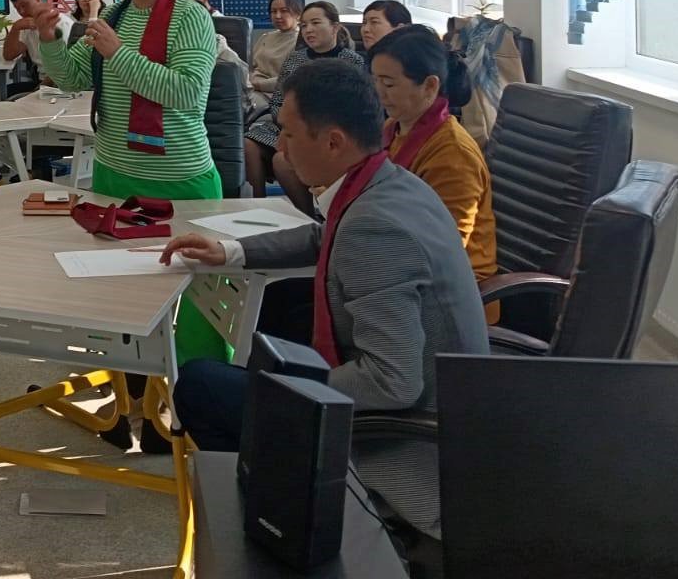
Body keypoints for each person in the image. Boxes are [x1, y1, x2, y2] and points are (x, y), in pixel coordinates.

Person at [163, 60, 489, 538]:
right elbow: (326, 236)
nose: (281, 147)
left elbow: (393, 382)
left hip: (408, 442)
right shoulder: (390, 182)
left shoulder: (374, 229)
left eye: (289, 134)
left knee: (200, 386)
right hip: (448, 395)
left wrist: (288, 395)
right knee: (277, 310)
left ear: (334, 142)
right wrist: (232, 251)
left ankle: (286, 519)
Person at [34, 0, 225, 374]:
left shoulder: (190, 17)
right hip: (114, 173)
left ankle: (200, 390)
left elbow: (186, 92)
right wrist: (49, 40)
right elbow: (73, 78)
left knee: (199, 303)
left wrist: (118, 53)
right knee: (117, 292)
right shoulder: (115, 15)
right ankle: (129, 383)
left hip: (179, 179)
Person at [367, 26, 498, 288]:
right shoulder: (393, 128)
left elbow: (441, 248)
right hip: (400, 262)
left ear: (429, 86)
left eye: (389, 84)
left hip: (451, 289)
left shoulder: (453, 153)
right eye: (376, 81)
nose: (379, 92)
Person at [245, 0, 359, 207]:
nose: (308, 30)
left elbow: (351, 108)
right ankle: (258, 207)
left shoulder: (351, 61)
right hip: (286, 126)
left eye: (315, 23)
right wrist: (288, 125)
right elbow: (278, 101)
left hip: (327, 131)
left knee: (282, 160)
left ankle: (307, 215)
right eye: (304, 25)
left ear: (334, 27)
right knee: (249, 145)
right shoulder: (295, 59)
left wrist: (305, 129)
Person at [3, 0, 75, 79]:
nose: (21, 12)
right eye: (17, 8)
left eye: (24, 5)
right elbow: (8, 55)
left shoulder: (61, 23)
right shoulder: (26, 26)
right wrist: (15, 28)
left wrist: (42, 86)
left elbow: (68, 67)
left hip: (61, 82)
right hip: (41, 79)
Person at [249, 0, 303, 108]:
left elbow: (290, 79)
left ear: (298, 14)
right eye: (273, 11)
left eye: (284, 11)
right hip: (250, 87)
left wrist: (255, 84)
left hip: (273, 93)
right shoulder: (266, 37)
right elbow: (250, 66)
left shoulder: (300, 42)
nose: (278, 16)